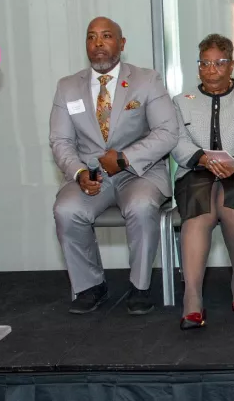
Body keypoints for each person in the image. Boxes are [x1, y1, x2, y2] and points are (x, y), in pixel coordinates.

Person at [50, 17, 179, 316]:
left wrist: (125, 158)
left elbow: (167, 132)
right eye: (91, 37)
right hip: (91, 176)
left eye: (106, 36)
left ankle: (140, 287)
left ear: (121, 44)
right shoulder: (67, 87)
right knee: (66, 210)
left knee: (142, 206)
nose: (98, 43)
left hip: (139, 172)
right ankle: (90, 286)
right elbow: (60, 140)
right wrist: (79, 172)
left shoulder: (147, 80)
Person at [171, 34, 234, 328]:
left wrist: (233, 163)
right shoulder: (181, 102)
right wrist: (204, 160)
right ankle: (192, 297)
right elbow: (177, 142)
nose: (211, 69)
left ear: (231, 65)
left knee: (233, 205)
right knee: (199, 211)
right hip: (196, 170)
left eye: (219, 63)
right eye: (204, 63)